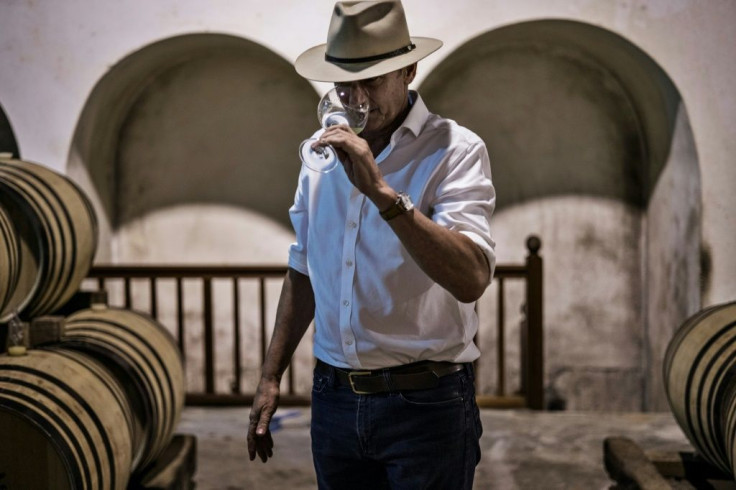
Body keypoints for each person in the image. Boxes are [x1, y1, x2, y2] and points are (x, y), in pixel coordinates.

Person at [247, 1, 495, 488]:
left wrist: (382, 194)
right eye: (343, 84)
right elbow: (304, 267)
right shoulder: (320, 154)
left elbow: (471, 280)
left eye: (372, 81)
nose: (356, 99)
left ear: (408, 69)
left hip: (425, 403)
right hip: (334, 397)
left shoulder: (455, 149)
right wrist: (271, 375)